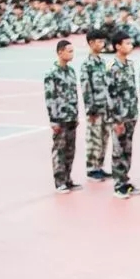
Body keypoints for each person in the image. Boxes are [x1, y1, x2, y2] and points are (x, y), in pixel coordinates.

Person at [107, 31, 140, 199]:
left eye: (131, 43)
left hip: (131, 114)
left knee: (128, 149)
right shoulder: (111, 66)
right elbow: (110, 95)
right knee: (118, 150)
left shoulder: (130, 64)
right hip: (119, 116)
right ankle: (118, 185)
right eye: (127, 43)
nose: (131, 46)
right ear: (117, 46)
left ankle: (125, 180)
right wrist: (116, 119)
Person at [43, 39, 80, 194]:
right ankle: (59, 182)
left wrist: (76, 114)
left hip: (71, 116)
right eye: (69, 51)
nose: (72, 54)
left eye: (72, 51)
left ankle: (68, 178)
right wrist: (53, 120)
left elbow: (74, 95)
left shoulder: (71, 71)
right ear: (60, 52)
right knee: (59, 150)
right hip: (60, 117)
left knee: (70, 150)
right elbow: (50, 97)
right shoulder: (52, 73)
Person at [79, 29, 111, 181]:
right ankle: (92, 169)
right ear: (91, 43)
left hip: (105, 107)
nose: (102, 44)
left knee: (104, 137)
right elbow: (86, 88)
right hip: (95, 109)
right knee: (94, 138)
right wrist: (90, 109)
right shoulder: (87, 64)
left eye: (103, 41)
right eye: (99, 41)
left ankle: (99, 165)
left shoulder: (102, 62)